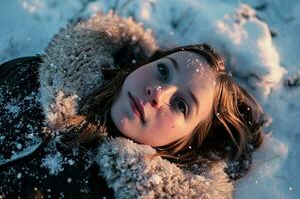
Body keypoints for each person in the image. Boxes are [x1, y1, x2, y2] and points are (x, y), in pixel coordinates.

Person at [0, 12, 265, 198]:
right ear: (141, 65)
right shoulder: (32, 76)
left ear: (187, 144)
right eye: (163, 70)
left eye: (181, 105)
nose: (157, 92)